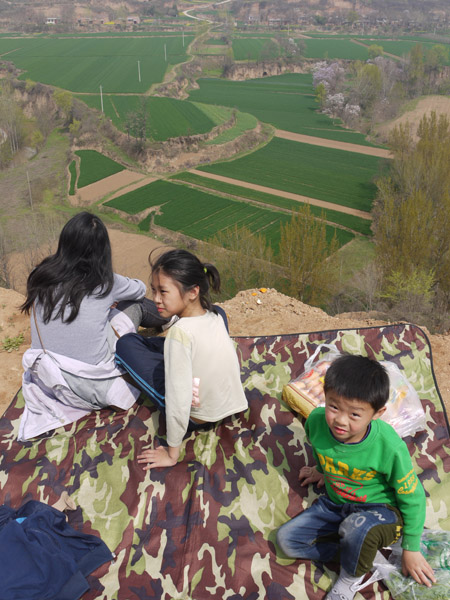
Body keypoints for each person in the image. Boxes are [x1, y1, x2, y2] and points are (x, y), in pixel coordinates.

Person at [276, 354, 436, 600]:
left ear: (377, 413)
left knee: (357, 529)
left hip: (381, 509)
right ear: (325, 397)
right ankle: (362, 554)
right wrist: (321, 470)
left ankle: (351, 576)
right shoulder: (317, 422)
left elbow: (412, 497)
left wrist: (411, 547)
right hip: (335, 503)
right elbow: (320, 449)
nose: (340, 420)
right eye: (334, 406)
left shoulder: (389, 446)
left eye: (354, 414)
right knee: (286, 541)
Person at [18, 212, 162, 441]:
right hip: (90, 387)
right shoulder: (105, 282)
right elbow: (139, 289)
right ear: (102, 249)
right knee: (136, 305)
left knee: (105, 313)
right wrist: (111, 294)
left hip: (49, 382)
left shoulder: (40, 275)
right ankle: (170, 318)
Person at [115, 248, 248, 469]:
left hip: (196, 416)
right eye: (154, 291)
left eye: (163, 292)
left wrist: (171, 453)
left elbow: (178, 400)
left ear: (192, 292)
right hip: (229, 404)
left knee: (125, 344)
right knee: (172, 346)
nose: (156, 299)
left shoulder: (180, 334)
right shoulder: (214, 314)